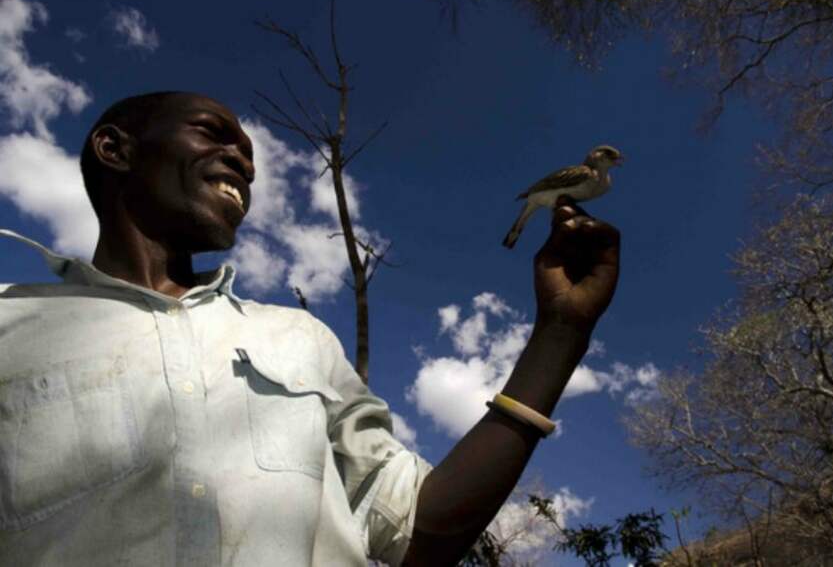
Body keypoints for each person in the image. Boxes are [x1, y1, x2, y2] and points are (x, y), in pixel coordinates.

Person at [0, 92, 620, 566]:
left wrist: (559, 336)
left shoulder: (299, 337)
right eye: (214, 134)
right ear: (116, 149)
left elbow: (419, 531)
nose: (244, 160)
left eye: (249, 152)